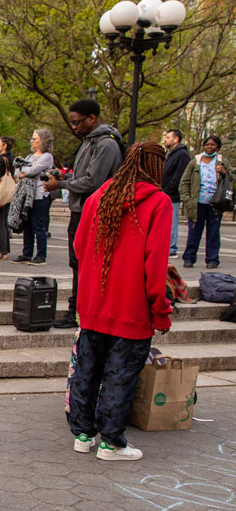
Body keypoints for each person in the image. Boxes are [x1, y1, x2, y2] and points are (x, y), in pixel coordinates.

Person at [69, 142, 172, 461]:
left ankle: (83, 434)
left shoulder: (99, 196)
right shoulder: (159, 202)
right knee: (120, 375)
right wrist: (161, 311)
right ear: (157, 168)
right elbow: (155, 266)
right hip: (132, 308)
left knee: (88, 371)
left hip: (93, 304)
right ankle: (111, 442)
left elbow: (78, 246)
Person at [44, 99, 122, 328]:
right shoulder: (90, 141)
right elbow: (82, 175)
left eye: (78, 122)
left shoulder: (106, 144)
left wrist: (59, 186)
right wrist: (64, 177)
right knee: (78, 263)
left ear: (92, 118)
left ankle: (79, 312)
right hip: (82, 209)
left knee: (84, 264)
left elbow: (92, 181)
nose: (74, 127)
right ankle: (78, 309)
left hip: (93, 211)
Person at [179, 135, 229, 269]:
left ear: (217, 147)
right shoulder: (195, 161)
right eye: (207, 144)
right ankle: (189, 258)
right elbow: (184, 182)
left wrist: (224, 172)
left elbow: (232, 179)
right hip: (197, 204)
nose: (209, 147)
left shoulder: (222, 161)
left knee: (213, 233)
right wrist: (187, 200)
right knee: (194, 232)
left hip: (215, 204)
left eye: (212, 145)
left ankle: (212, 260)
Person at [13, 129, 54, 266]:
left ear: (42, 141)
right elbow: (18, 170)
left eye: (34, 138)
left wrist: (25, 169)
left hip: (39, 194)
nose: (31, 141)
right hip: (27, 196)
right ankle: (27, 253)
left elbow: (32, 171)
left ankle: (41, 255)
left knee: (39, 226)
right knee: (27, 225)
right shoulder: (30, 156)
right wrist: (26, 169)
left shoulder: (47, 156)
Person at [161, 128, 190, 258]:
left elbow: (178, 177)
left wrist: (167, 191)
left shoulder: (182, 154)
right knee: (165, 222)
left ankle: (171, 248)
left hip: (172, 195)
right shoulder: (170, 153)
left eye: (168, 137)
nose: (165, 140)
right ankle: (166, 246)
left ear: (176, 139)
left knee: (172, 222)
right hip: (164, 193)